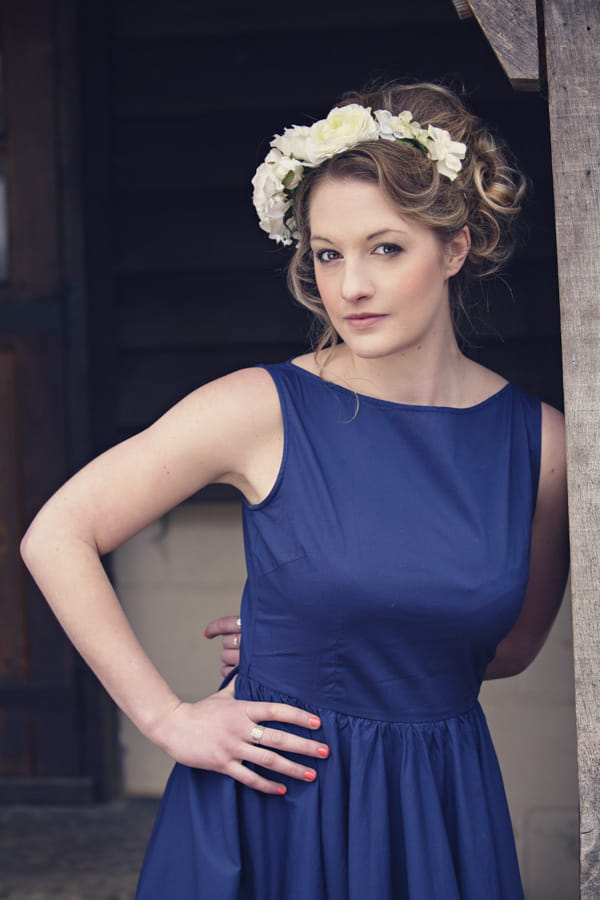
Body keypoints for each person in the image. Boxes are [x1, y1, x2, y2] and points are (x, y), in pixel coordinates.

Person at [20, 81, 569, 899]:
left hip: (437, 802)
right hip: (281, 803)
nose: (349, 286)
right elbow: (56, 533)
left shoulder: (543, 444)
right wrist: (166, 718)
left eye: (386, 248)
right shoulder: (259, 406)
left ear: (454, 248)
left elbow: (512, 648)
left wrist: (343, 630)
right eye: (327, 252)